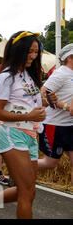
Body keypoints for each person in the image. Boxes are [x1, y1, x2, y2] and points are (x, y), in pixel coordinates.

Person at [0, 31, 45, 219]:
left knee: (29, 190)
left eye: (36, 52)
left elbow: (28, 104)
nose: (33, 56)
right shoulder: (5, 77)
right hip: (11, 134)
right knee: (27, 191)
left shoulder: (28, 75)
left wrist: (45, 103)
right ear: (18, 50)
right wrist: (30, 115)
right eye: (30, 51)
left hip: (30, 135)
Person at [38, 43, 73, 185]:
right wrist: (65, 106)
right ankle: (19, 169)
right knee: (51, 163)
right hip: (55, 125)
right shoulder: (61, 73)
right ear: (70, 57)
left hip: (70, 125)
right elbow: (43, 93)